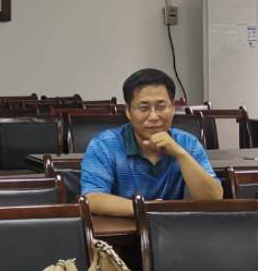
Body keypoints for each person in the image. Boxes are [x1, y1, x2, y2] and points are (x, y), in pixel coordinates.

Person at [80, 68, 221, 216]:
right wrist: (148, 209)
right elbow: (92, 198)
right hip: (123, 227)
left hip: (172, 228)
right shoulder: (104, 145)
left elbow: (213, 199)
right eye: (144, 108)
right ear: (128, 111)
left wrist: (180, 154)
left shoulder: (188, 143)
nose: (153, 116)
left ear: (173, 109)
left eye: (161, 107)